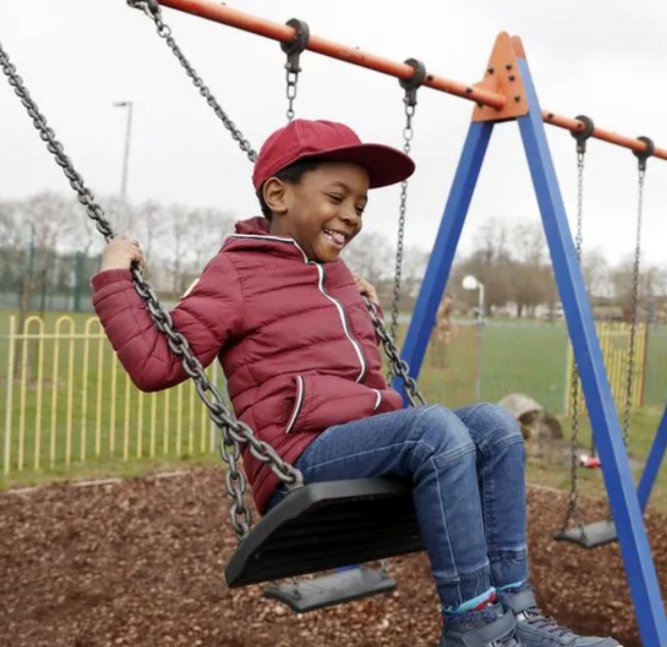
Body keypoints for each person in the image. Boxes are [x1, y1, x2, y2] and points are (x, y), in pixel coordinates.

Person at [91, 119, 620, 647]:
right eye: (337, 197)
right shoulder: (236, 273)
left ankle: (516, 612)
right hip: (299, 459)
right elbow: (157, 363)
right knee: (433, 430)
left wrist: (349, 297)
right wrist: (116, 276)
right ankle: (474, 625)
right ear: (278, 193)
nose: (350, 216)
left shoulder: (338, 274)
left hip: (367, 441)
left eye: (361, 206)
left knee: (495, 425)